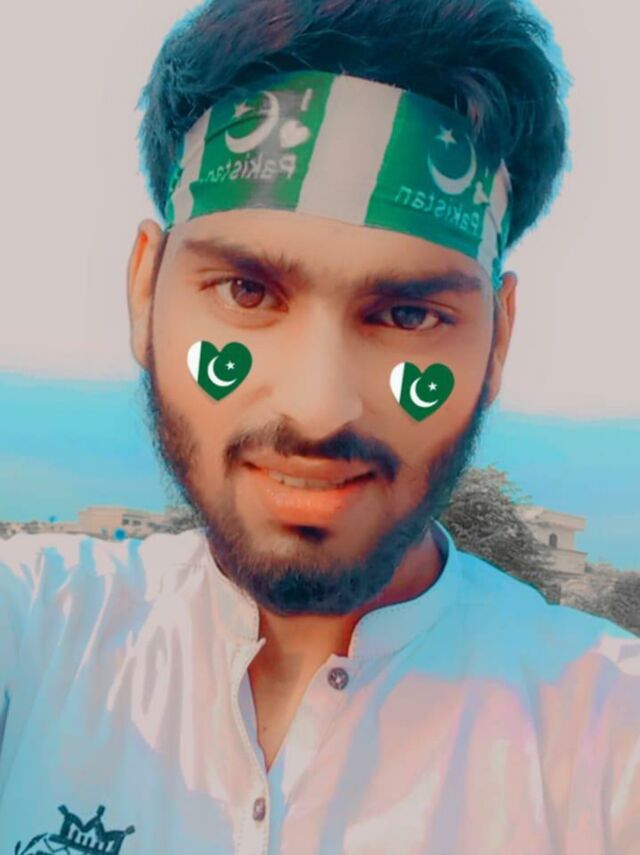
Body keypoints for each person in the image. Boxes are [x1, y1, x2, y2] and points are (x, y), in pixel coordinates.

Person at [1, 0, 638, 852]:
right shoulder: (38, 632)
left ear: (498, 341)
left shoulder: (605, 741)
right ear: (145, 291)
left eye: (409, 314)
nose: (318, 407)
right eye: (247, 291)